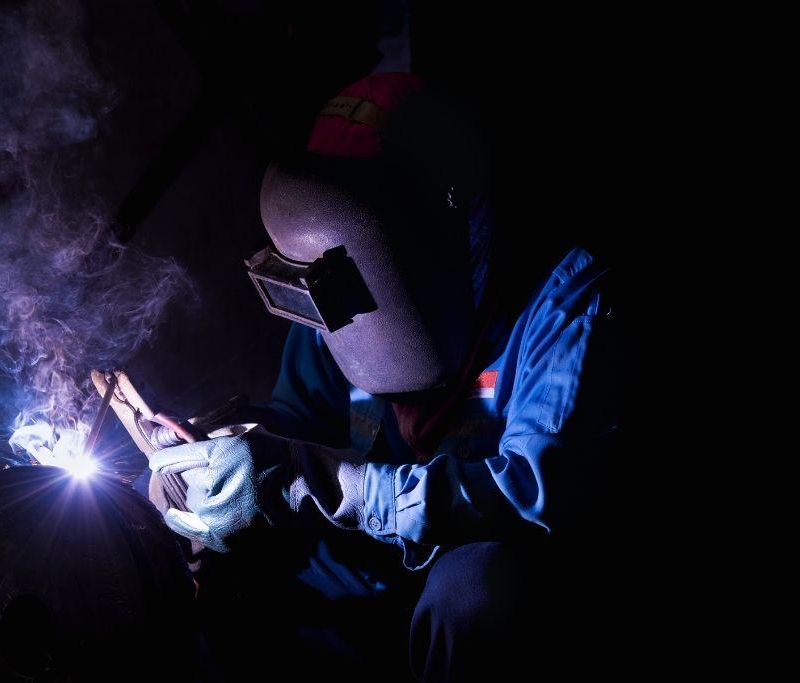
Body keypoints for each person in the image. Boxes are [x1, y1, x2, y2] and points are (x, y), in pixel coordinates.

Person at [144, 73, 617, 681]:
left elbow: (530, 495)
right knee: (229, 548)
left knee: (476, 593)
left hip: (490, 584)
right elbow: (300, 422)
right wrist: (230, 451)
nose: (349, 307)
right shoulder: (336, 285)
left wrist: (328, 481)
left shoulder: (566, 299)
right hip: (374, 566)